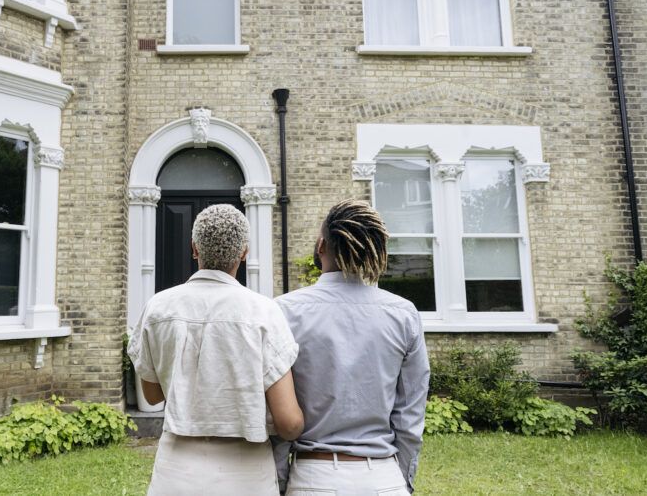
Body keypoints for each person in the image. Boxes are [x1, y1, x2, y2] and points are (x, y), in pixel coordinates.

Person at [129, 204, 304, 496]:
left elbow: (153, 395)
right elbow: (288, 423)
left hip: (176, 470)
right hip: (247, 473)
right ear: (244, 253)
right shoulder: (264, 312)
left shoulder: (158, 307)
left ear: (194, 248)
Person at [275, 199, 430, 495]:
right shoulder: (404, 313)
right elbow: (410, 417)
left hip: (313, 476)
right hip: (383, 479)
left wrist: (281, 482)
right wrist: (402, 483)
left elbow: (277, 419)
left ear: (321, 246)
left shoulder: (285, 311)